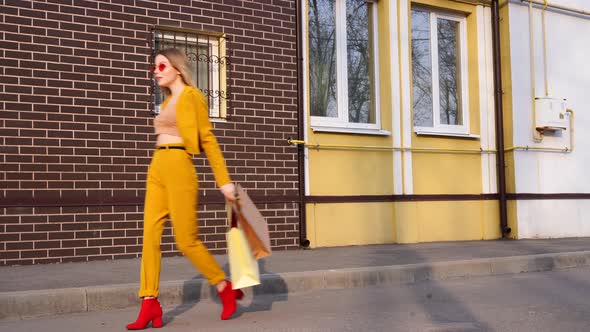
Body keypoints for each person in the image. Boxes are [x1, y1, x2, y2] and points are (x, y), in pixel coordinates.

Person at [126, 48, 243, 330]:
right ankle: (149, 301)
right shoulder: (166, 103)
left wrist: (224, 180)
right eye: (154, 67)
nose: (156, 71)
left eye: (162, 66)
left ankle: (223, 285)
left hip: (180, 165)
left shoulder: (192, 97)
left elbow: (209, 140)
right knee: (149, 237)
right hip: (157, 167)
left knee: (186, 240)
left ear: (177, 69)